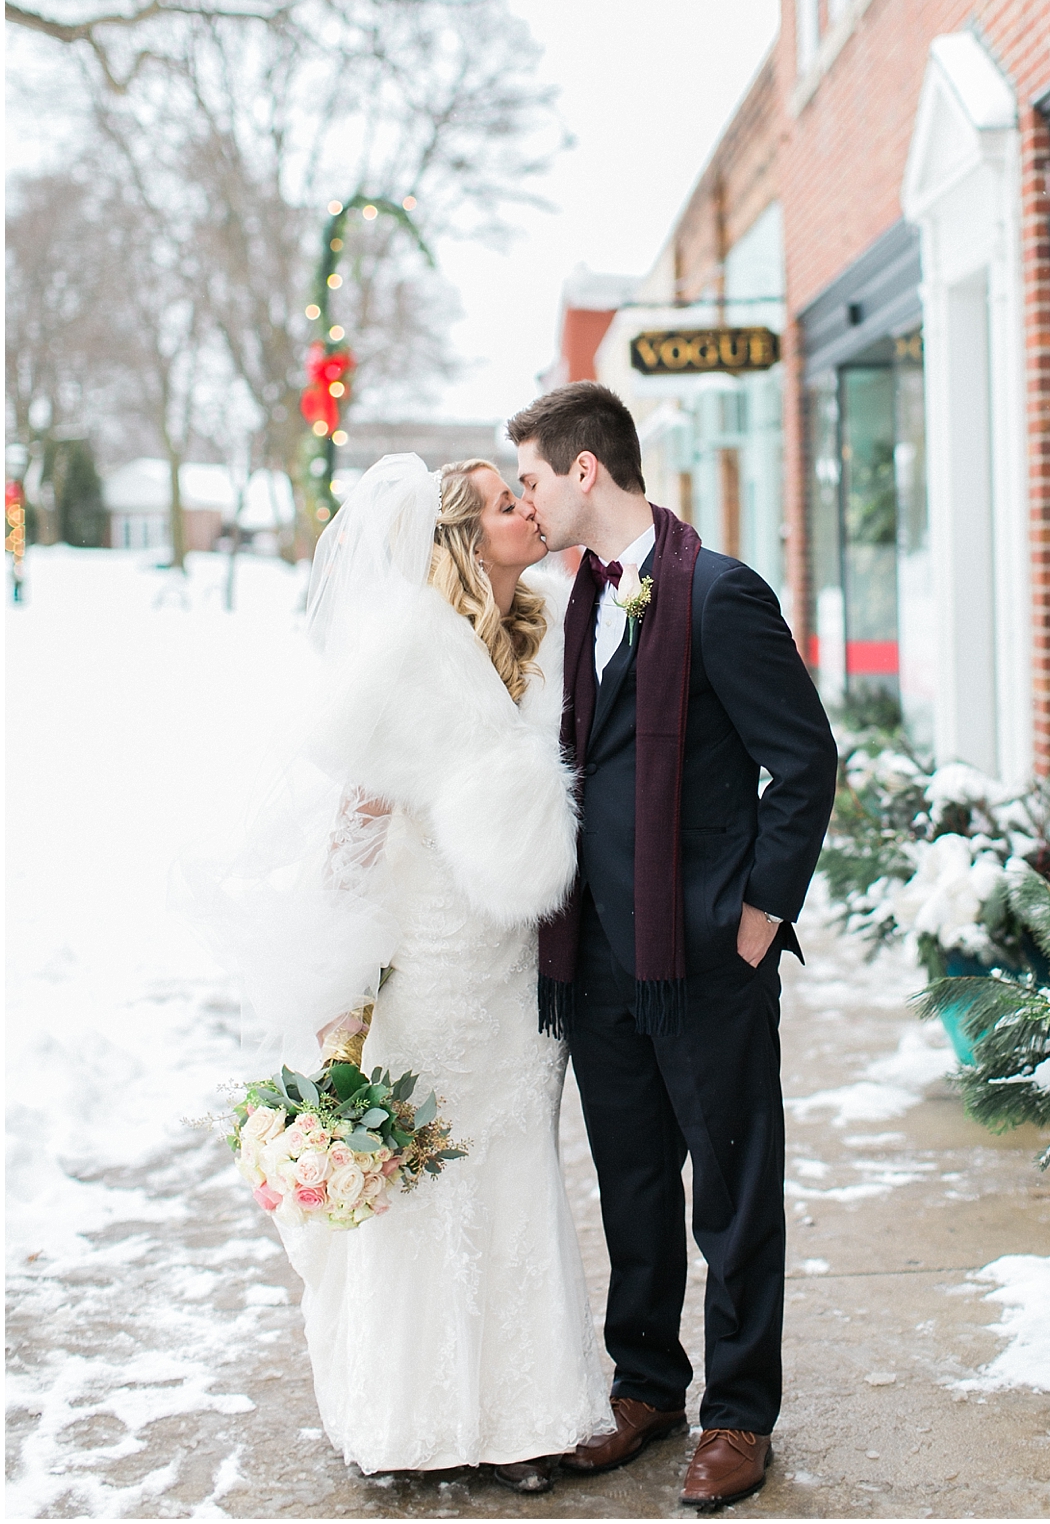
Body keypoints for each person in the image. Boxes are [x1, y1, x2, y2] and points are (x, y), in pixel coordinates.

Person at [231, 454, 611, 1489]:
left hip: (514, 965)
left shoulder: (539, 636)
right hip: (430, 959)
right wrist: (341, 995)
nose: (526, 509)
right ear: (457, 536)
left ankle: (521, 1418)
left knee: (515, 1172)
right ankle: (414, 1425)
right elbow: (353, 832)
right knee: (428, 1181)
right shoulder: (407, 656)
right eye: (503, 502)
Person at [509, 382, 838, 1510]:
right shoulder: (577, 599)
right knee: (633, 1183)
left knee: (733, 1191)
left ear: (585, 470)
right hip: (597, 953)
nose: (527, 500)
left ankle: (738, 1413)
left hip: (701, 955)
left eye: (533, 478)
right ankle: (644, 1385)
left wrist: (756, 915)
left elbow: (803, 762)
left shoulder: (717, 592)